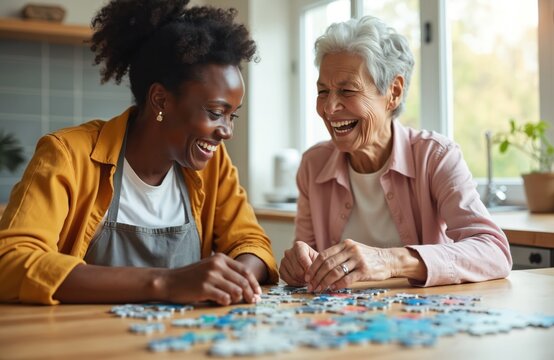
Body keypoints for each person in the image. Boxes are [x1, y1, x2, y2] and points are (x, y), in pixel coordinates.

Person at [0, 0, 278, 306]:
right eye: (215, 113)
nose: (226, 131)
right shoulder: (68, 154)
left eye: (232, 116)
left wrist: (236, 281)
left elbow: (250, 242)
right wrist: (164, 282)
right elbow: (12, 262)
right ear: (160, 100)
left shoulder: (213, 165)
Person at [279, 16, 512, 291]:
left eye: (347, 90)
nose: (329, 108)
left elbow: (493, 251)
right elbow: (309, 263)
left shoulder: (436, 157)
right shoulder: (313, 164)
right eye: (322, 91)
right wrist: (298, 266)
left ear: (394, 92)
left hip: (424, 323)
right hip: (340, 326)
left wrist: (388, 260)